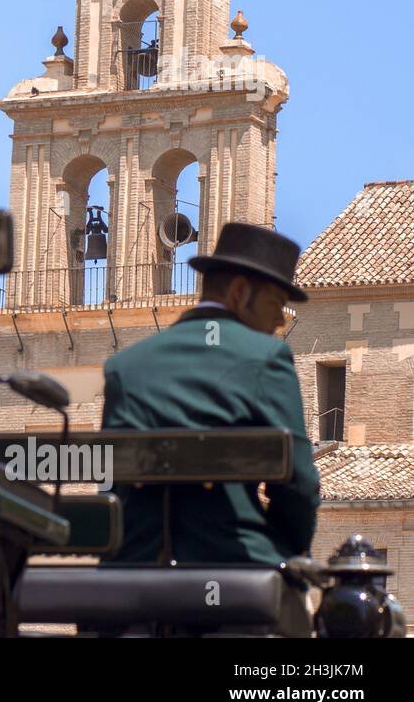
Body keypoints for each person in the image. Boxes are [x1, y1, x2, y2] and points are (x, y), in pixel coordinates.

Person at [101, 222, 320, 564]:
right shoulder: (265, 357)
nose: (281, 319)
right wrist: (286, 553)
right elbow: (300, 486)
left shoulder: (124, 367)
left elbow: (116, 488)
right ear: (239, 292)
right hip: (230, 566)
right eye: (276, 302)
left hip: (133, 569)